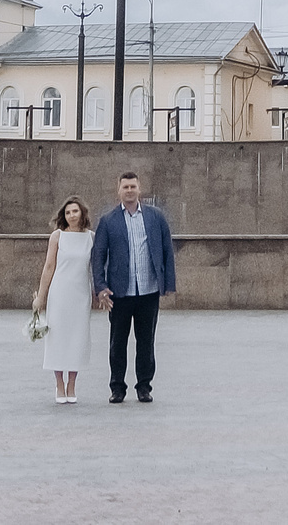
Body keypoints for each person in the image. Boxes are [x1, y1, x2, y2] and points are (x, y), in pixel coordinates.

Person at [88, 169, 176, 403]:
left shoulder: (155, 217)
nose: (129, 191)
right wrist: (101, 287)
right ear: (118, 190)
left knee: (146, 341)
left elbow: (167, 250)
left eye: (133, 186)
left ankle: (144, 386)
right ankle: (117, 387)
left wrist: (168, 283)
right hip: (120, 292)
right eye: (125, 187)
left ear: (139, 189)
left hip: (148, 290)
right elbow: (98, 257)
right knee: (118, 342)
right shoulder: (108, 221)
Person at [34, 197, 97, 404]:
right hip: (60, 293)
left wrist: (100, 293)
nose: (72, 215)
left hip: (80, 294)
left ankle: (72, 384)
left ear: (82, 214)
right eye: (68, 212)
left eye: (75, 211)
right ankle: (59, 383)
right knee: (58, 337)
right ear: (64, 215)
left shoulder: (90, 238)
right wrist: (41, 296)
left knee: (77, 338)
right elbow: (49, 267)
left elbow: (95, 268)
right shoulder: (57, 236)